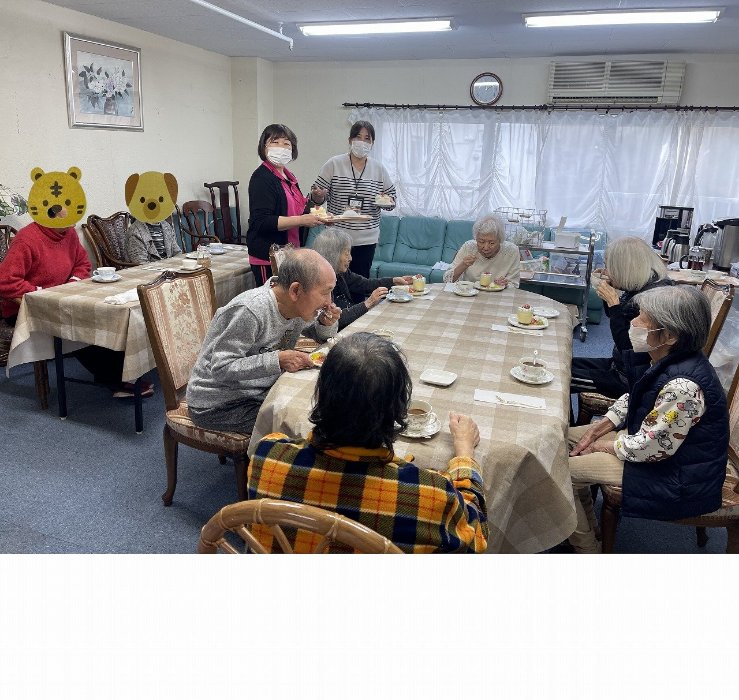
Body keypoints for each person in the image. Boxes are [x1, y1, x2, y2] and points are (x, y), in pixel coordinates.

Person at [248, 332, 489, 553]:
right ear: (398, 409)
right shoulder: (431, 495)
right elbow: (475, 537)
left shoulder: (267, 455)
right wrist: (464, 453)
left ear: (320, 395)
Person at [567, 286, 729, 553]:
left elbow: (652, 447)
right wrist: (602, 426)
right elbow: (637, 395)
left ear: (670, 335)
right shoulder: (667, 358)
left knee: (561, 473)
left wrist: (602, 445)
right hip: (659, 450)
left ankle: (586, 549)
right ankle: (588, 528)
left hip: (676, 474)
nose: (633, 323)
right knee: (561, 438)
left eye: (643, 318)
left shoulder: (683, 387)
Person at [0, 166, 149, 398]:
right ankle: (115, 379)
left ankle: (123, 372)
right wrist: (41, 291)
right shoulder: (27, 239)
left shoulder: (68, 234)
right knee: (81, 325)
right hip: (25, 306)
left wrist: (73, 281)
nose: (69, 219)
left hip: (64, 297)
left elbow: (82, 263)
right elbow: (6, 281)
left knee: (104, 315)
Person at [187, 248, 342, 434]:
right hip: (217, 404)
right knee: (302, 424)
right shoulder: (250, 310)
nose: (329, 302)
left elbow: (319, 335)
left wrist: (325, 324)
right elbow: (221, 367)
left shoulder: (296, 306)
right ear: (295, 290)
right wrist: (277, 360)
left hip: (257, 390)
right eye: (325, 292)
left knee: (323, 404)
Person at [571, 237, 672, 402]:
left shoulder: (651, 299)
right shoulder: (643, 283)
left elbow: (627, 346)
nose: (606, 272)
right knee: (563, 364)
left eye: (609, 267)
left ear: (624, 268)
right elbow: (616, 317)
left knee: (561, 377)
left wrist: (613, 303)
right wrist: (609, 296)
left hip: (630, 378)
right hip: (620, 365)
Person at [310, 120, 396, 281]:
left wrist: (386, 201)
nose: (362, 142)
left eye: (367, 138)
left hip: (366, 239)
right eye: (358, 137)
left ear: (372, 143)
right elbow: (316, 198)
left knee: (360, 284)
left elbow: (392, 199)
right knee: (332, 283)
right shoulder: (334, 163)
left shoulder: (378, 168)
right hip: (337, 238)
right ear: (350, 140)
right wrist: (319, 195)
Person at [245, 124, 323, 286]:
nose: (281, 147)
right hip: (268, 257)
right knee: (272, 300)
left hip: (289, 254)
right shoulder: (262, 178)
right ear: (264, 146)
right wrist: (302, 220)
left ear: (292, 149)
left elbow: (297, 211)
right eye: (275, 142)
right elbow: (262, 221)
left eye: (286, 143)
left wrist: (318, 213)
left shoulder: (289, 177)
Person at [311, 227, 413, 330]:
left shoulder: (341, 273)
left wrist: (393, 281)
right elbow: (332, 320)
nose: (350, 258)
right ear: (334, 255)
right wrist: (367, 303)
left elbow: (365, 284)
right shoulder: (318, 282)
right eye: (346, 253)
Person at [443, 214, 520, 287]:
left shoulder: (511, 251)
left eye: (492, 243)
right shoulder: (468, 247)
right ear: (476, 238)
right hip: (469, 293)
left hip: (498, 294)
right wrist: (463, 265)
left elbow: (514, 284)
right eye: (481, 242)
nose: (486, 248)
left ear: (500, 240)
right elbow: (447, 280)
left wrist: (505, 284)